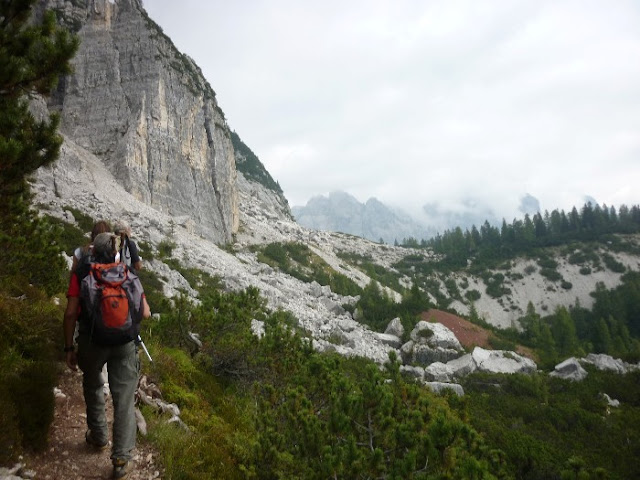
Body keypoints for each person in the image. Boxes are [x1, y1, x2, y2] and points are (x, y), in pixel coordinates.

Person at [63, 232, 151, 479]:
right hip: (124, 343)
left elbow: (70, 313)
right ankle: (122, 459)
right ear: (115, 253)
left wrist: (69, 347)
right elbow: (145, 313)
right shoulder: (128, 274)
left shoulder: (81, 274)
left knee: (92, 384)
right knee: (123, 398)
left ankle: (99, 436)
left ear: (92, 251)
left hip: (92, 341)